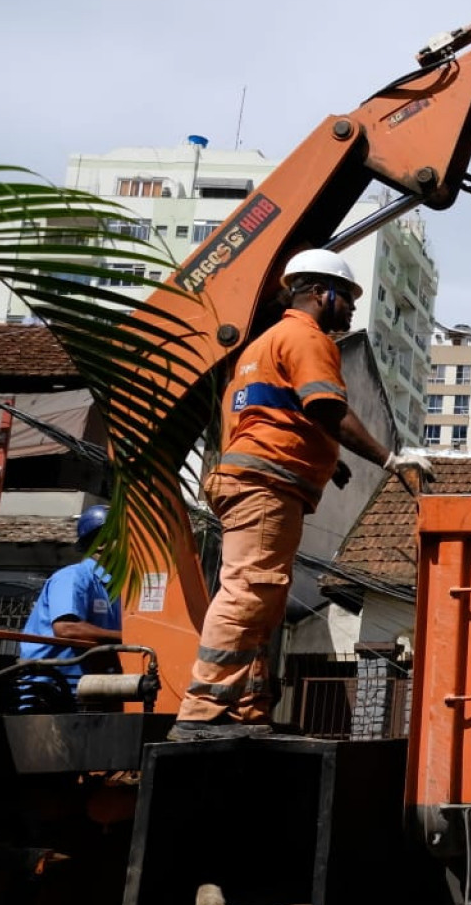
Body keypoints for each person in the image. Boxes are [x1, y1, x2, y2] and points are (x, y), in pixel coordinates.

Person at [169, 248, 434, 741]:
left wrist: (327, 460)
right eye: (346, 298)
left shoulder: (260, 347)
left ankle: (246, 710)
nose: (351, 308)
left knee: (264, 599)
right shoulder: (307, 338)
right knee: (250, 590)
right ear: (319, 293)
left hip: (253, 478)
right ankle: (203, 710)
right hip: (266, 484)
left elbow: (275, 416)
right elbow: (326, 407)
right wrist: (389, 458)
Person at [17, 504, 123, 711]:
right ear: (101, 543)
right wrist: (127, 638)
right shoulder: (73, 577)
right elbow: (67, 629)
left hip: (89, 691)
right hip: (51, 694)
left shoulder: (114, 588)